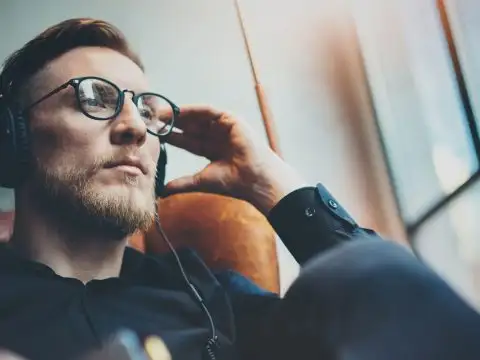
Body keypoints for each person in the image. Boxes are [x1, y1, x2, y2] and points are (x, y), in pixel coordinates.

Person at [0, 18, 479, 360]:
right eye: (94, 97)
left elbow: (391, 314)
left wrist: (272, 185)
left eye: (147, 111)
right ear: (13, 137)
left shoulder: (210, 296)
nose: (137, 128)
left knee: (368, 267)